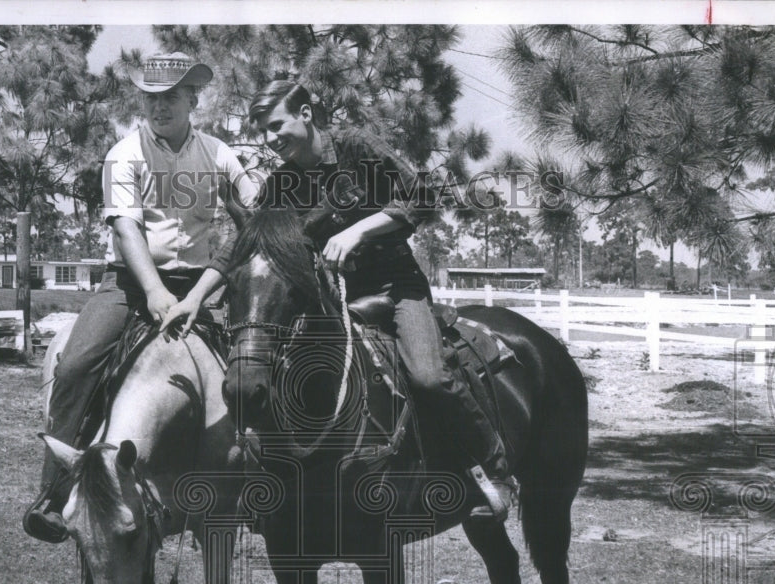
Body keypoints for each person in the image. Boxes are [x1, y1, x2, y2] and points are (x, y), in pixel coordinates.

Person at [163, 80, 516, 522]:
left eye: (277, 126)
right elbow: (242, 245)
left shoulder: (356, 148)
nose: (271, 140)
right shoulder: (283, 182)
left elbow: (422, 195)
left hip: (393, 287)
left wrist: (360, 229)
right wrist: (195, 298)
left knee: (427, 376)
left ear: (306, 114)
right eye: (263, 132)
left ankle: (496, 470)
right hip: (334, 296)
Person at [23, 53, 258, 541]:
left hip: (203, 285)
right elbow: (127, 230)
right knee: (75, 366)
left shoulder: (220, 154)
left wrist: (260, 193)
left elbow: (255, 208)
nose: (160, 106)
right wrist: (152, 290)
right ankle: (54, 491)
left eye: (171, 95)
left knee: (255, 365)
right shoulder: (123, 154)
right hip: (130, 284)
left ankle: (256, 486)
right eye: (151, 97)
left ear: (193, 98)